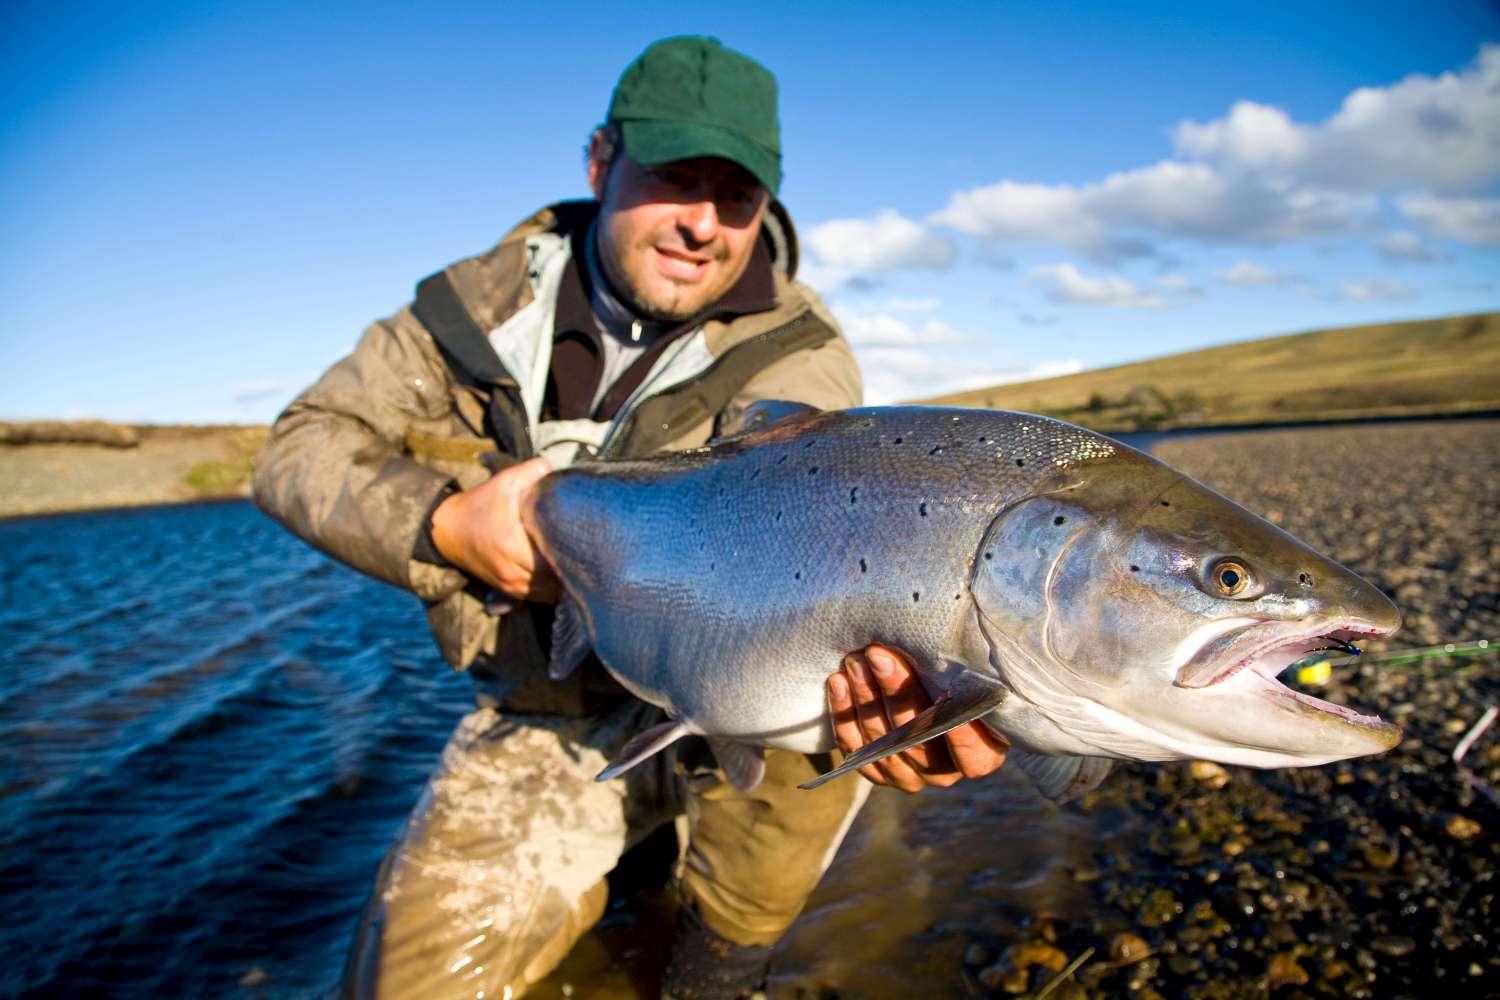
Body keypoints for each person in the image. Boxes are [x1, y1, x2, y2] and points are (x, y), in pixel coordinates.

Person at [254, 36, 1007, 1000]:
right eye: (673, 178)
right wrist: (443, 527)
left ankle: (718, 963)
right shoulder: (466, 312)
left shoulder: (800, 357)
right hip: (552, 702)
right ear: (601, 161)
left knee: (746, 907)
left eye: (734, 196)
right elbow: (298, 447)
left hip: (756, 688)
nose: (702, 224)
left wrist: (920, 696)